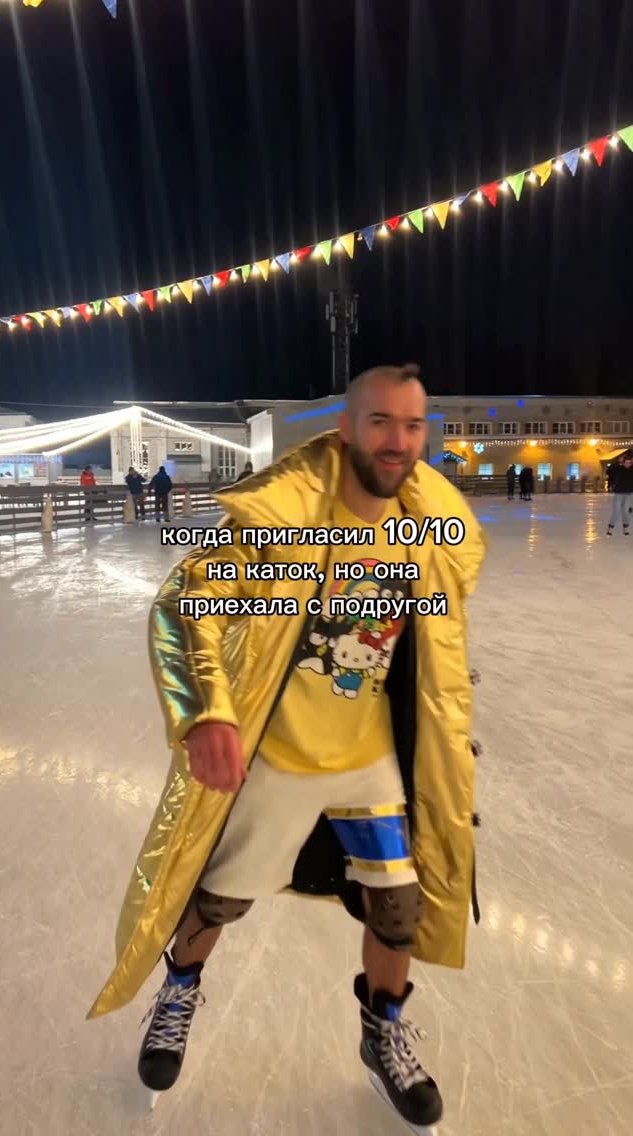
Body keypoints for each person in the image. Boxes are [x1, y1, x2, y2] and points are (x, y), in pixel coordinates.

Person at [88, 363, 487, 1131]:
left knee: (399, 909)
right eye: (380, 421)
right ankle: (179, 992)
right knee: (218, 899)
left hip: (373, 758)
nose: (398, 441)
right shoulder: (284, 518)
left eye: (412, 424)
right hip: (279, 752)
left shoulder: (427, 529)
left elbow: (435, 635)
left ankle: (382, 1032)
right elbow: (185, 602)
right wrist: (207, 711)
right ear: (346, 428)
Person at [606, 452, 633, 536]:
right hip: (618, 494)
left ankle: (625, 529)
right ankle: (610, 528)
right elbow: (609, 470)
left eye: (629, 463)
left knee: (626, 512)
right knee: (616, 512)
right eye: (626, 462)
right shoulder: (618, 468)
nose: (628, 464)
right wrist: (618, 461)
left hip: (628, 494)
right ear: (623, 462)